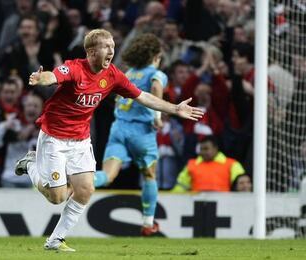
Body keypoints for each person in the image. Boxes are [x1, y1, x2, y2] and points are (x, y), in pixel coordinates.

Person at [15, 29, 203, 252]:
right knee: (57, 198)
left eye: (113, 46)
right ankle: (30, 164)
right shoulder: (75, 68)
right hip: (54, 138)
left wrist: (174, 108)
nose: (112, 50)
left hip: (81, 140)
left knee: (85, 190)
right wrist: (41, 78)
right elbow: (55, 75)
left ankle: (55, 239)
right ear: (92, 51)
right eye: (106, 46)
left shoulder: (113, 75)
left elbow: (142, 96)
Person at [93, 33, 168, 236]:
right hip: (141, 132)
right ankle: (147, 223)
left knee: (108, 175)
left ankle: (79, 184)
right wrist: (157, 116)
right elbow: (155, 86)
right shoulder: (156, 73)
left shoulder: (128, 73)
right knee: (149, 175)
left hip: (118, 129)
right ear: (154, 56)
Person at [171, 135, 246, 192]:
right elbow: (180, 188)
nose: (202, 152)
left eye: (206, 149)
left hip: (225, 207)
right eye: (201, 149)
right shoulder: (191, 164)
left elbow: (243, 186)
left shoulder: (232, 164)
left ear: (215, 148)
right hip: (196, 208)